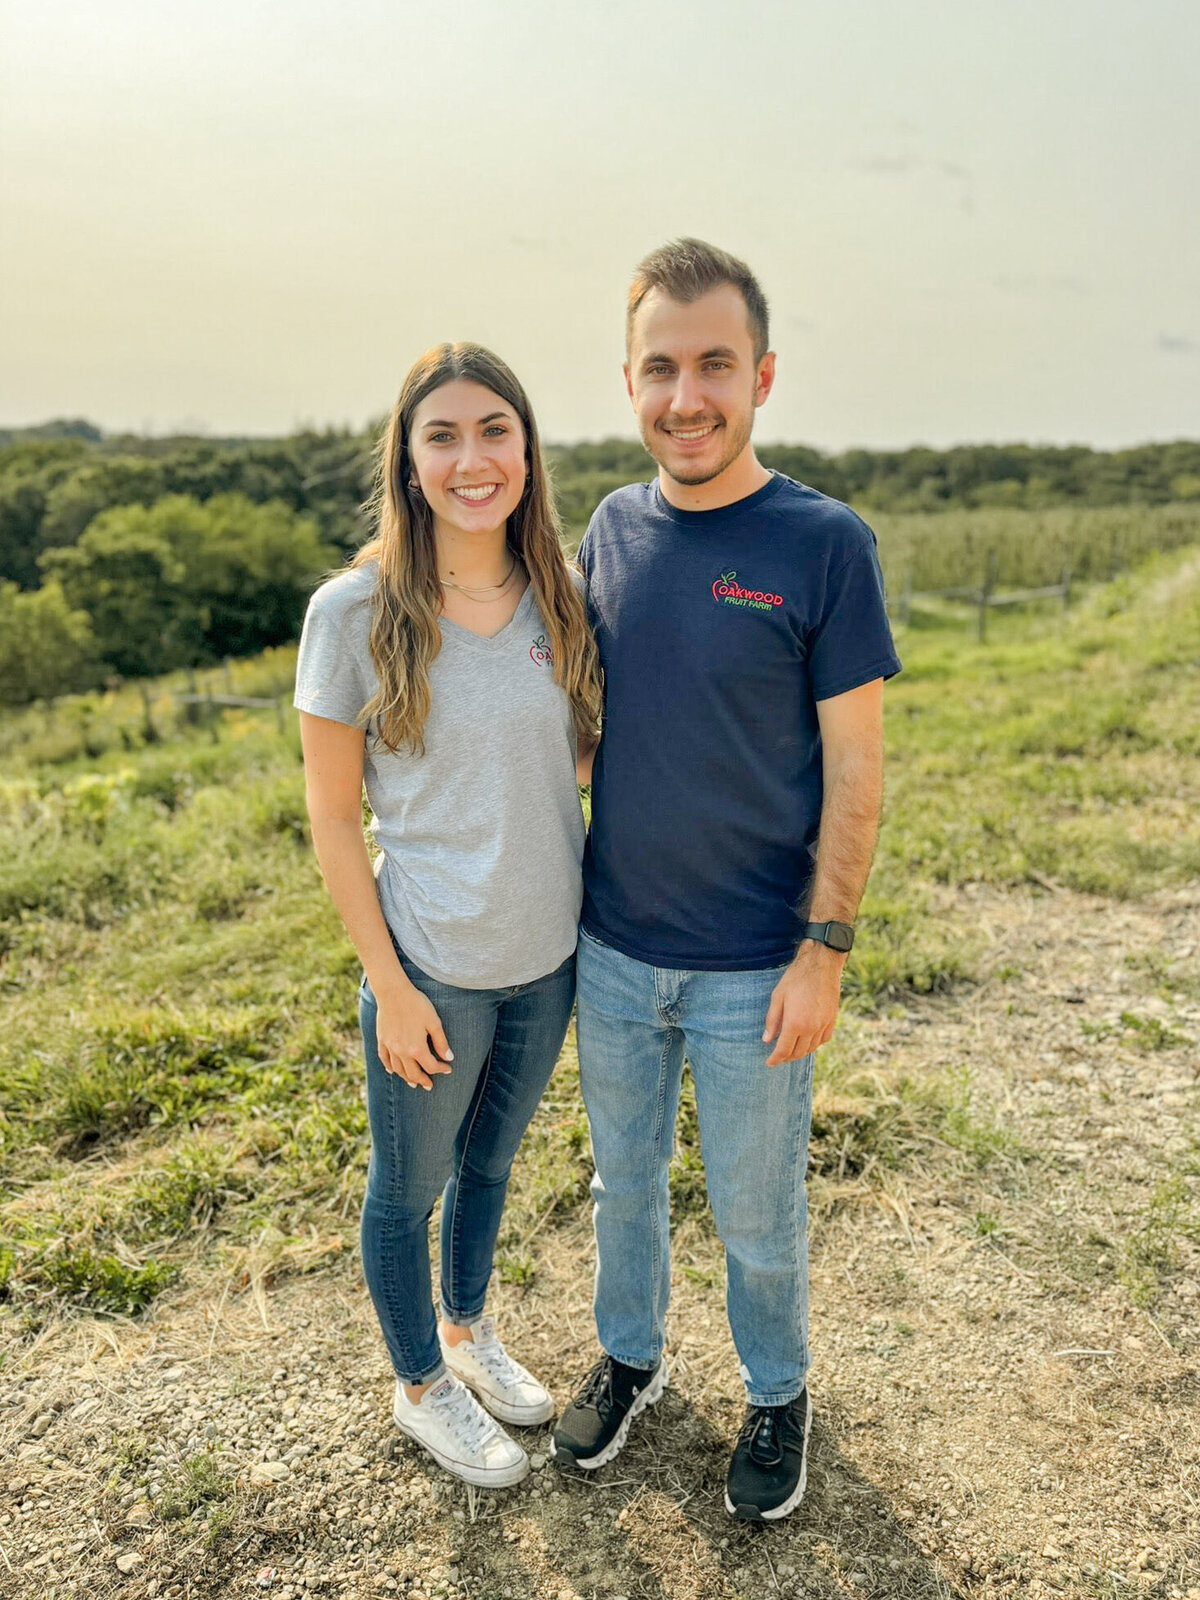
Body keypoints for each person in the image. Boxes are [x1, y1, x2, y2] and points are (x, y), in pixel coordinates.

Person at [552, 239, 901, 1521]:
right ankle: (633, 1357)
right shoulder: (611, 526)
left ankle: (776, 1389)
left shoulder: (822, 544)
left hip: (758, 961)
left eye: (712, 365)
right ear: (629, 381)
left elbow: (857, 772)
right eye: (660, 367)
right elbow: (591, 723)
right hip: (614, 945)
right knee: (623, 1181)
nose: (685, 395)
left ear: (760, 376)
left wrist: (826, 947)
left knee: (757, 1208)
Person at [294, 343, 600, 1490]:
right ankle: (420, 1382)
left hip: (550, 960)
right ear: (409, 461)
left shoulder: (561, 592)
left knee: (493, 1166)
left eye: (494, 432)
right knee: (407, 1190)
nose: (473, 459)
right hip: (432, 967)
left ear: (525, 449)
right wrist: (393, 981)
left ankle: (468, 1332)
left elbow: (572, 760)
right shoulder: (354, 611)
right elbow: (332, 821)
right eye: (444, 436)